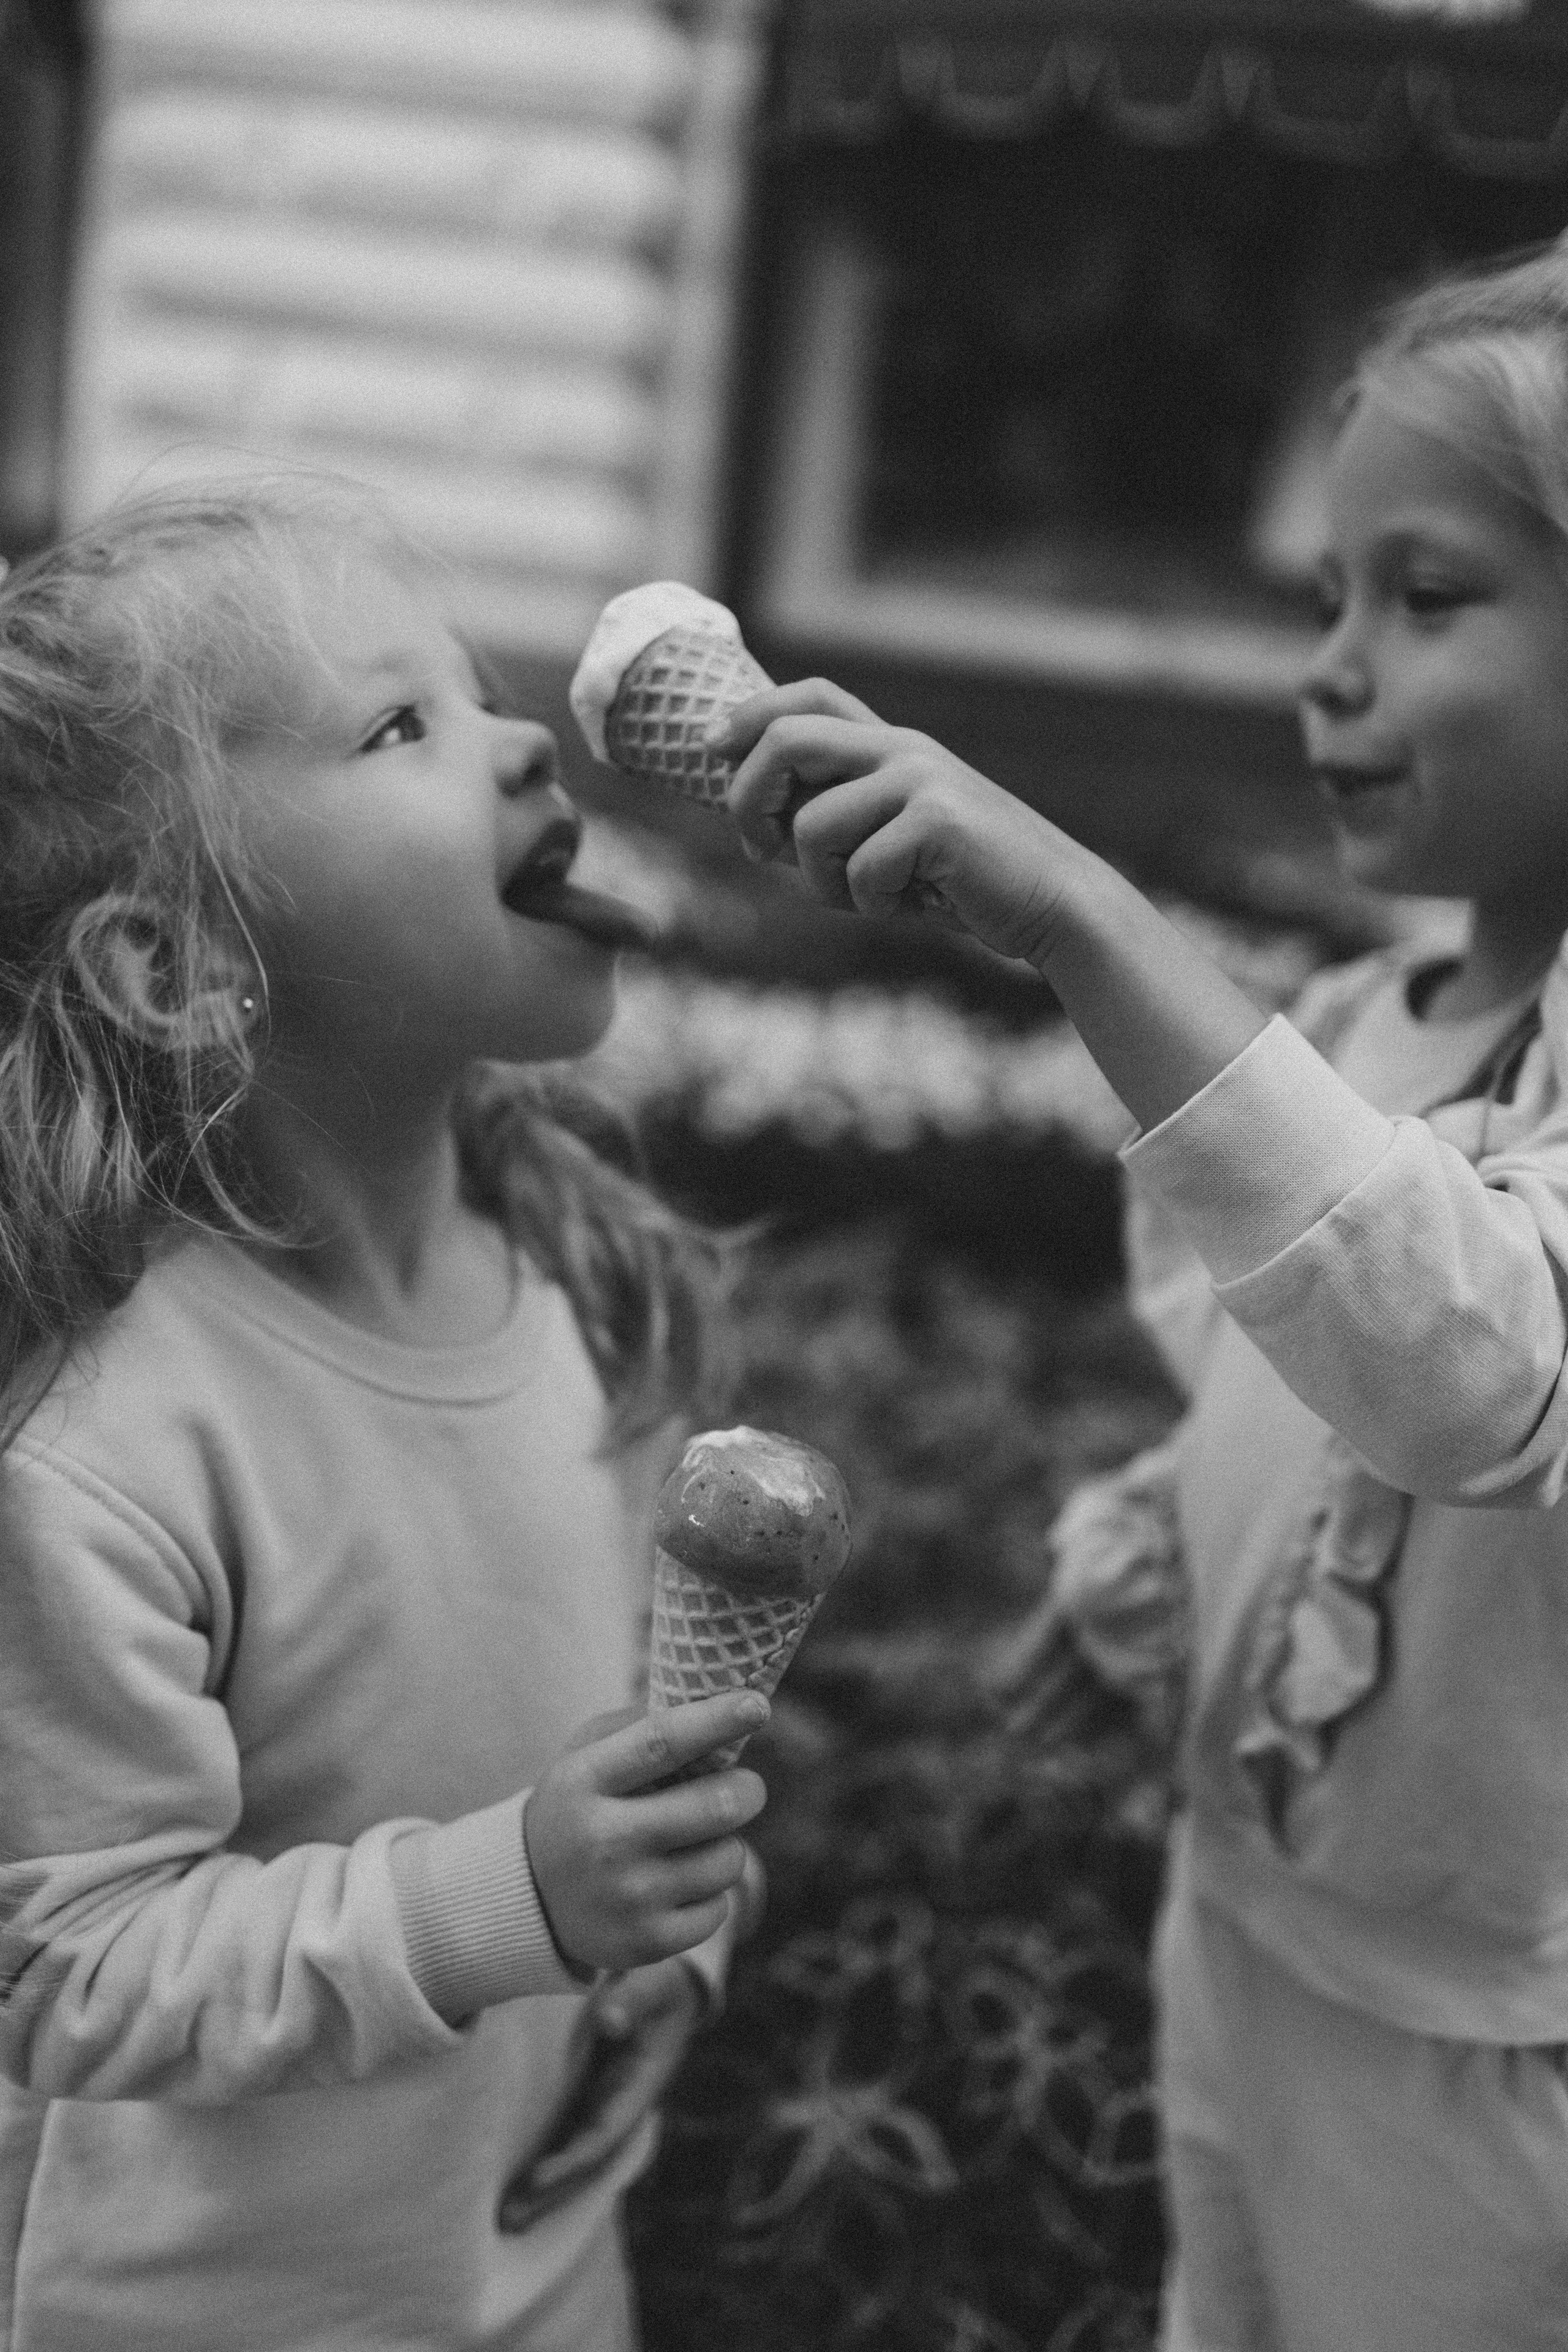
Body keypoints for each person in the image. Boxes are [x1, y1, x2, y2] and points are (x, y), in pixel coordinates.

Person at [710, 237, 1568, 2352]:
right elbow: (1285, 1385)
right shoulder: (1359, 1025)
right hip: (1245, 1916)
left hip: (1492, 2026)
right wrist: (1157, 1557)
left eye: (1427, 596)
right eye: (1328, 600)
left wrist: (1085, 919)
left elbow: (1473, 1367)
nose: (1331, 671)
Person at [0, 480, 769, 2352]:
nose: (524, 739)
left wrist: (660, 1930)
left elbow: (591, 1742)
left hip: (541, 2270)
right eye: (398, 725)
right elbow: (68, 1967)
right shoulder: (108, 1454)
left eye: (477, 689)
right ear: (179, 967)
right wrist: (509, 1900)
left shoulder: (558, 1288)